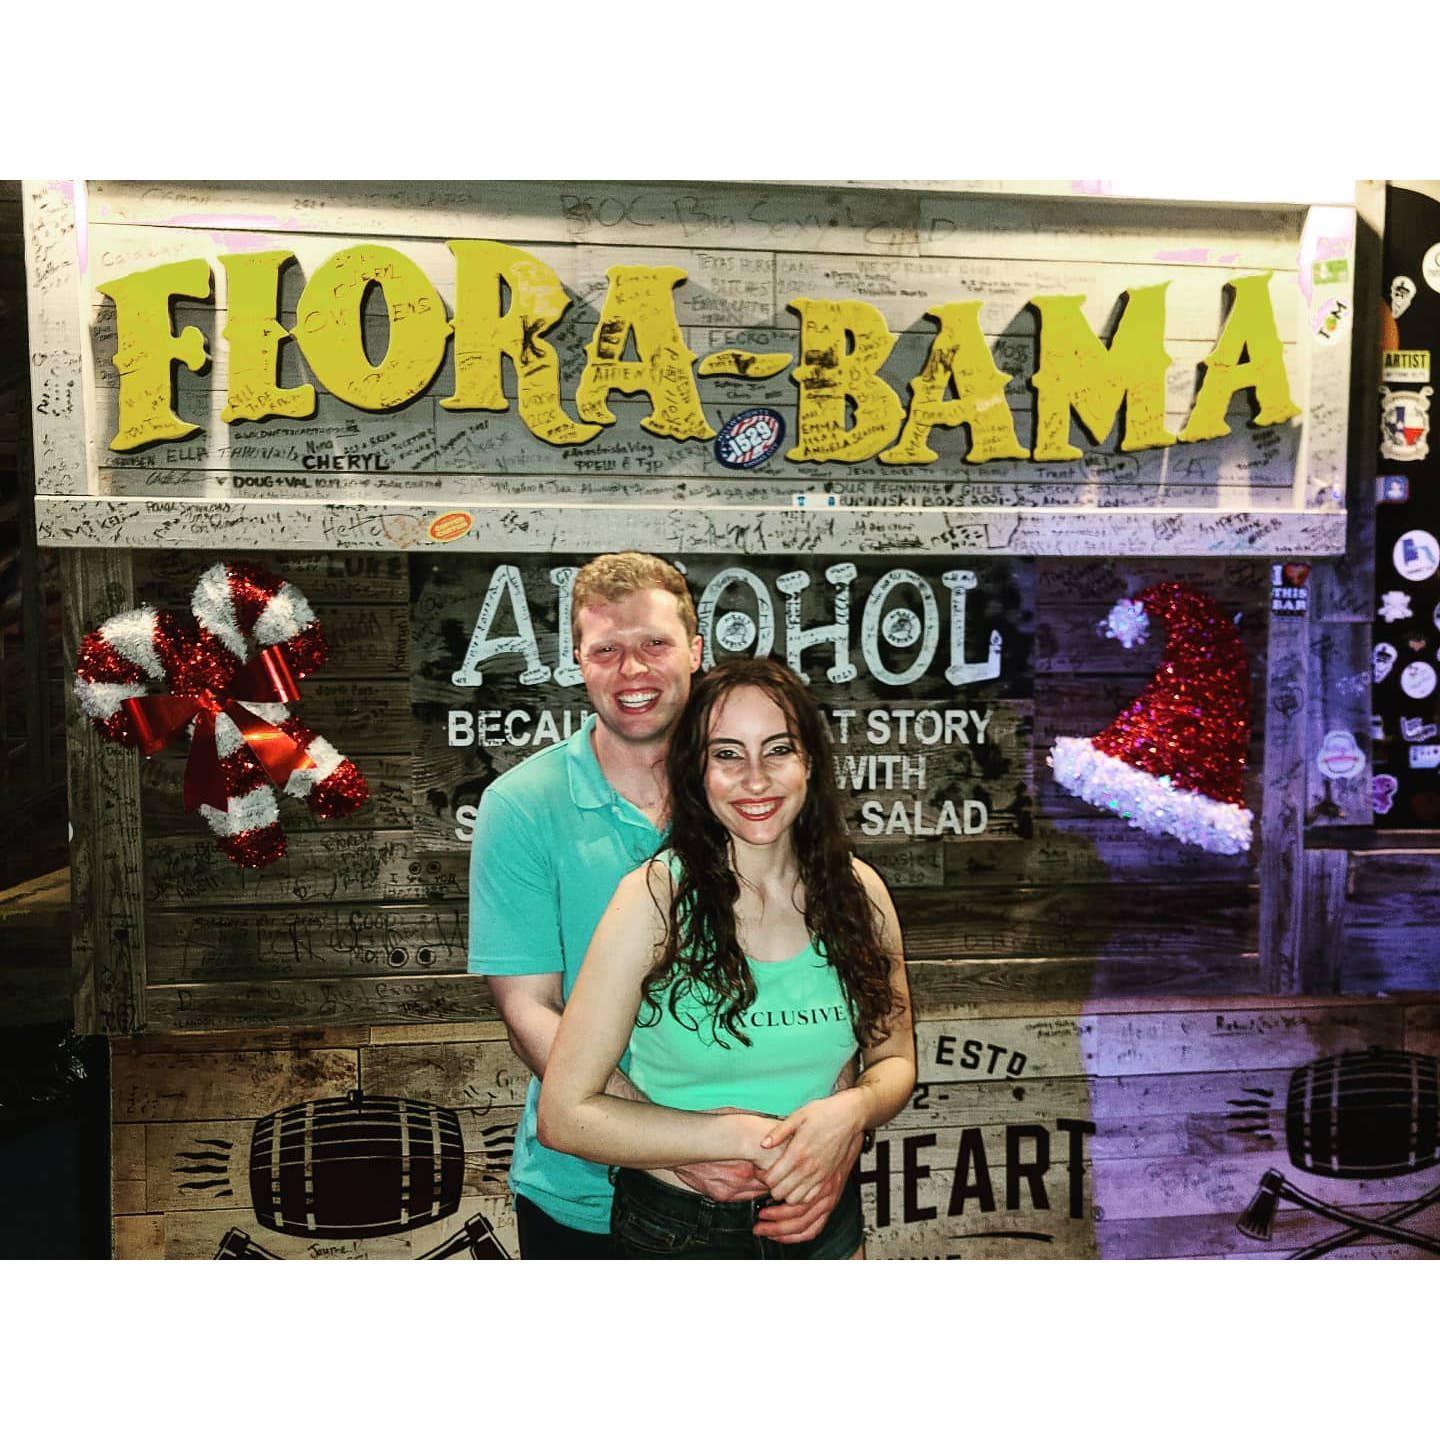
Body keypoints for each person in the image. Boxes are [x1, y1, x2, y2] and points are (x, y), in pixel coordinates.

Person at [468, 555, 858, 1258]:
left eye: (654, 643)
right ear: (578, 663)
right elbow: (528, 1006)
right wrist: (664, 1141)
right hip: (582, 1189)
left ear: (695, 651)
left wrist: (836, 1138)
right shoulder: (521, 806)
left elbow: (832, 982)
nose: (632, 670)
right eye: (606, 651)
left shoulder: (753, 796)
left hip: (780, 1188)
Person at [538, 657, 916, 1259]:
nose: (756, 779)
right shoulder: (653, 900)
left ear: (810, 762)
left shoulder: (859, 892)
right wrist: (735, 1136)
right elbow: (564, 1116)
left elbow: (894, 1059)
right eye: (728, 754)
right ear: (697, 772)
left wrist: (853, 1111)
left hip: (824, 1214)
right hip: (681, 1230)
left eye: (778, 750)